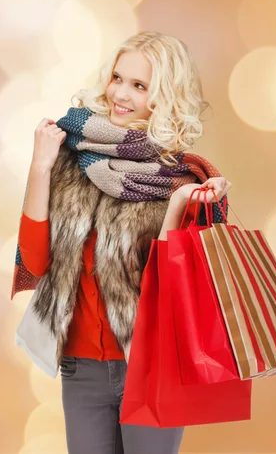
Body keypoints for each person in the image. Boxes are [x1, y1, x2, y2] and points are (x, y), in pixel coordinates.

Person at [12, 31, 232, 454]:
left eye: (139, 85)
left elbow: (167, 291)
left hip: (153, 366)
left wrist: (179, 206)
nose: (120, 94)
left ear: (163, 97)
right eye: (117, 78)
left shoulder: (181, 178)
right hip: (82, 369)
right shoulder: (72, 162)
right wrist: (40, 168)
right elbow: (37, 264)